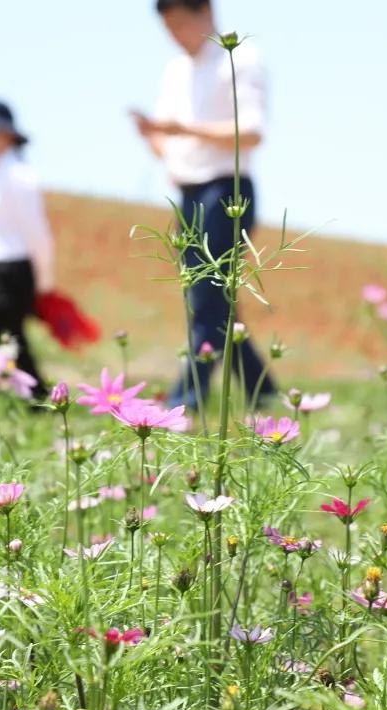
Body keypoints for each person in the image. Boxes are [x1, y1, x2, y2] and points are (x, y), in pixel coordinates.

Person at [133, 0, 277, 410]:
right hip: (188, 191)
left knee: (207, 295)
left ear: (206, 13)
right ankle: (261, 391)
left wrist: (183, 129)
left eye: (180, 23)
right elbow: (169, 147)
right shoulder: (176, 69)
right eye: (168, 27)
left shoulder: (241, 57)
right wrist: (151, 135)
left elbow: (250, 132)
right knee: (213, 299)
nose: (175, 35)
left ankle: (187, 399)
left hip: (226, 188)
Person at [0, 100, 55, 396]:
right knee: (10, 337)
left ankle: (28, 395)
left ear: (4, 135)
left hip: (14, 267)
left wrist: (45, 279)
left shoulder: (19, 176)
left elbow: (37, 231)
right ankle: (35, 397)